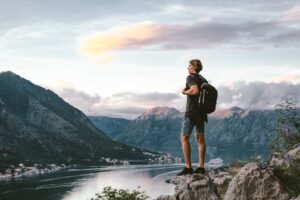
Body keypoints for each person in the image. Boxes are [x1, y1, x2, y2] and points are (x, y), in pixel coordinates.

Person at [177, 59, 208, 176]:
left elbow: (195, 91)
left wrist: (185, 92)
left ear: (194, 67)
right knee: (200, 139)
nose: (188, 67)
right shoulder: (203, 79)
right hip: (202, 113)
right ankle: (201, 167)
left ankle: (188, 167)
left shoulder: (190, 77)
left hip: (191, 112)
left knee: (184, 138)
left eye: (189, 65)